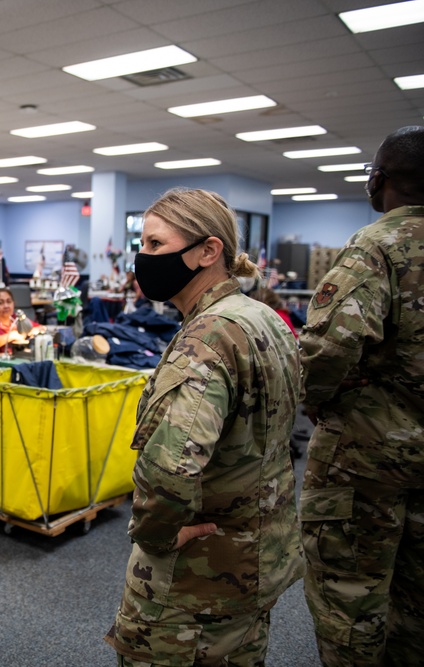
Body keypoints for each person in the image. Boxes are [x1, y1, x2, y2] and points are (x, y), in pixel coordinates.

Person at [104, 188, 304, 665]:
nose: (143, 257)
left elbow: (170, 466)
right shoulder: (264, 318)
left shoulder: (209, 336)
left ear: (208, 251)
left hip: (198, 579)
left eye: (155, 244)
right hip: (259, 557)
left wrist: (156, 536)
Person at [299, 125, 424, 667]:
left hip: (366, 460)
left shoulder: (377, 246)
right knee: (418, 600)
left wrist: (318, 400)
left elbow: (328, 348)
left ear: (381, 180)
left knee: (350, 596)